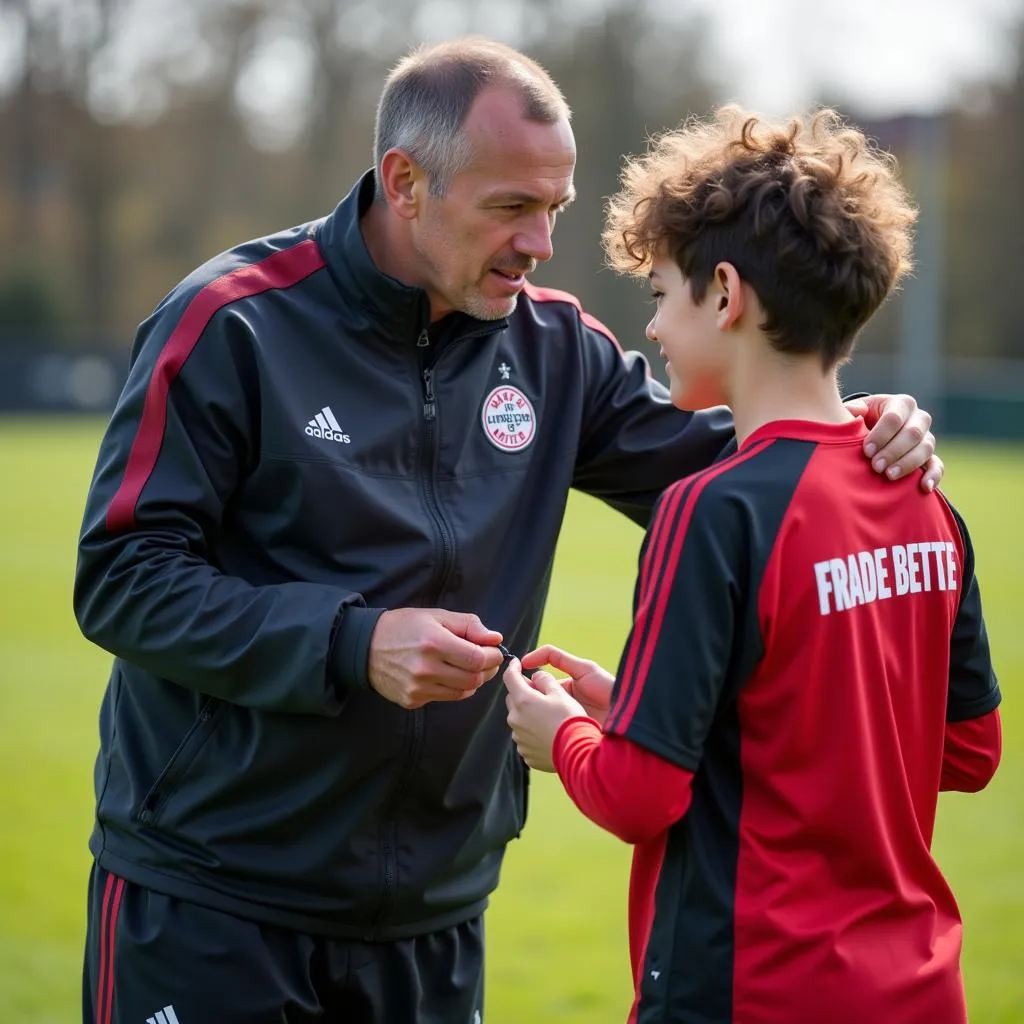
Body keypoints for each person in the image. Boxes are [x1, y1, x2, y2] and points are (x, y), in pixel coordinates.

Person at [74, 37, 942, 1024]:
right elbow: (123, 577)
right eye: (509, 208)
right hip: (214, 900)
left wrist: (861, 430)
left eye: (554, 210)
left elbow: (745, 474)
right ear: (405, 182)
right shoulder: (230, 324)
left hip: (435, 916)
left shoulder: (556, 348)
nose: (540, 243)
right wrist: (350, 641)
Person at [503, 106, 1001, 1024]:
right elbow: (969, 750)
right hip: (920, 989)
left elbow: (637, 795)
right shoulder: (925, 495)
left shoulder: (710, 508)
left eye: (659, 295)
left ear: (725, 293)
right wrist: (642, 711)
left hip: (750, 990)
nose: (651, 329)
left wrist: (561, 737)